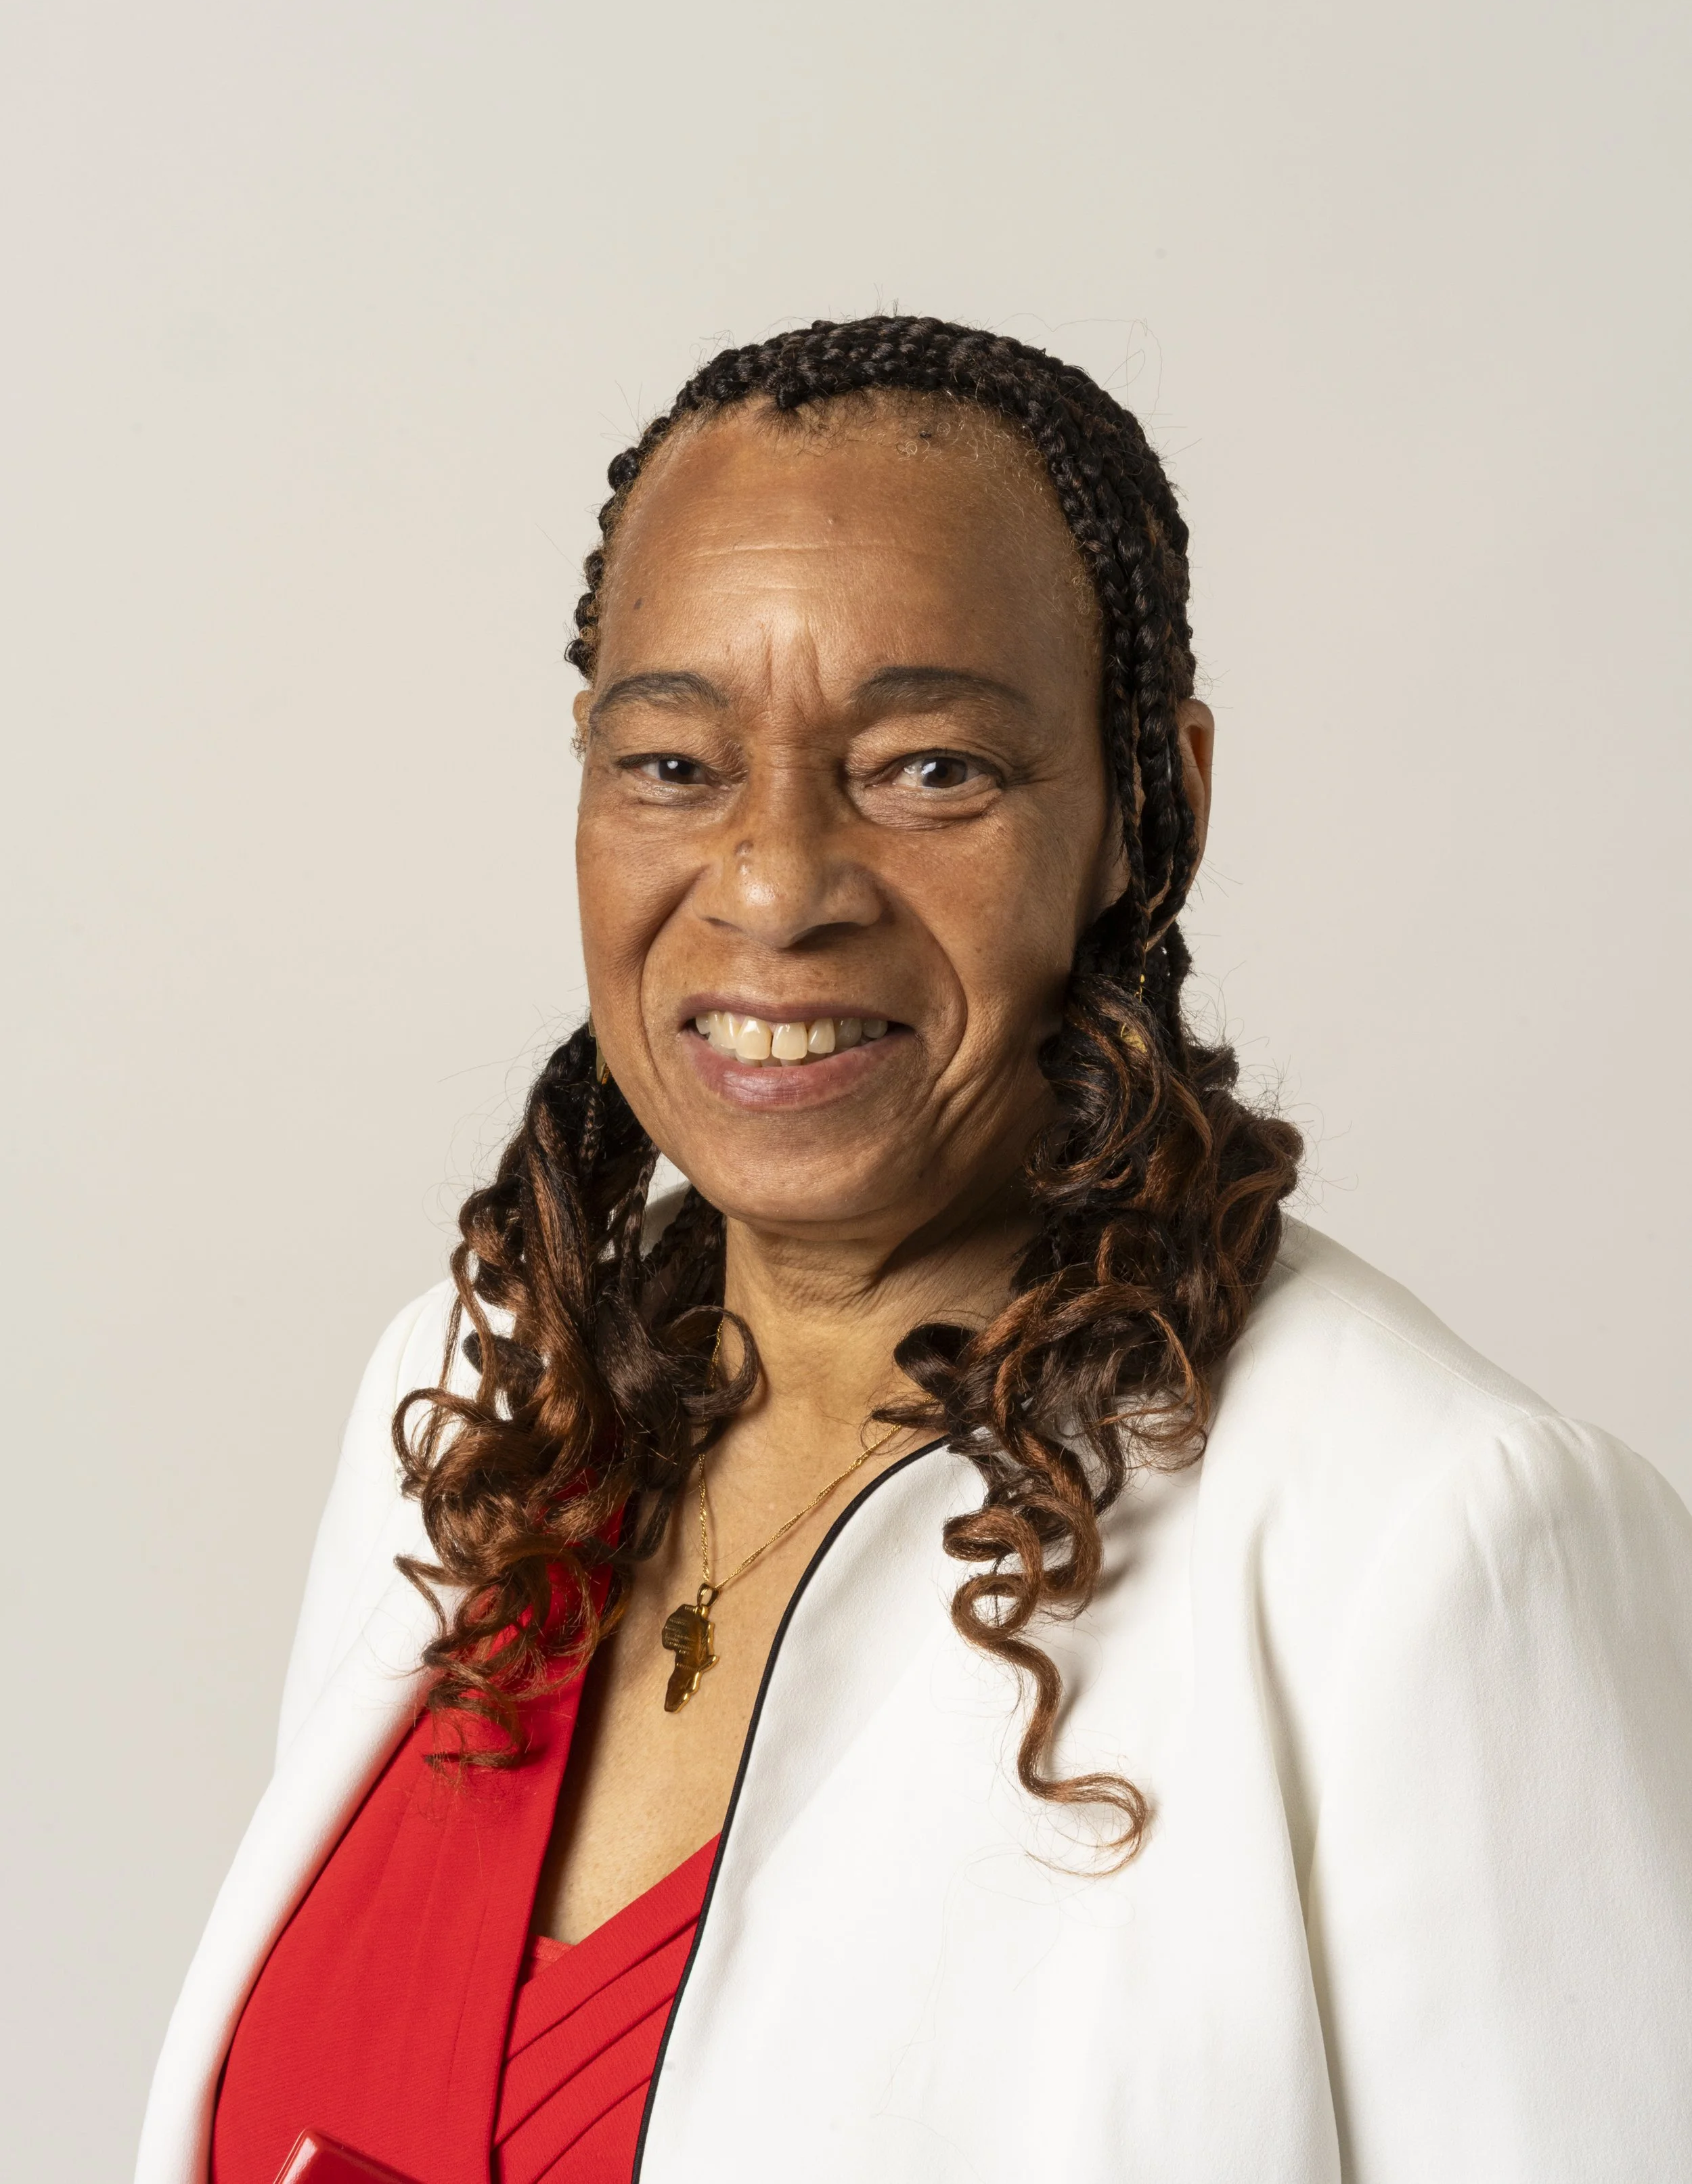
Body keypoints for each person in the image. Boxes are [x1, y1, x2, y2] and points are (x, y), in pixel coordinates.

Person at [139, 317, 1692, 2184]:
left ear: (1150, 804)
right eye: (672, 763)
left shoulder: (1423, 1536)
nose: (778, 881)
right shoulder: (469, 1397)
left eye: (930, 766)